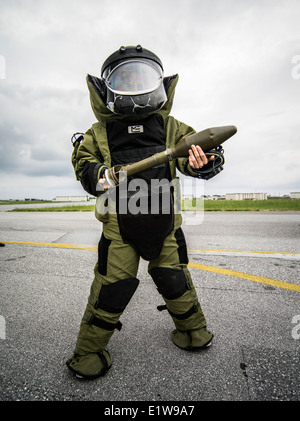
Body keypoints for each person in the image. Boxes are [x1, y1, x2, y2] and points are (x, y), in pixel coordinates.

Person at [67, 45, 224, 379]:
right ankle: (88, 354)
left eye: (141, 77)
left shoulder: (170, 127)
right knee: (113, 287)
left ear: (157, 83)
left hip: (165, 225)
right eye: (125, 79)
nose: (134, 86)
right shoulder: (97, 134)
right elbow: (84, 165)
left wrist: (204, 162)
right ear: (108, 87)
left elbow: (192, 156)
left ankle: (193, 332)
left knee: (174, 278)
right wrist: (97, 175)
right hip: (118, 230)